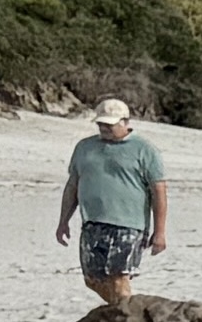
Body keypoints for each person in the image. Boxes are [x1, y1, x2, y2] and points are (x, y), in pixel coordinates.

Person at [57, 99, 165, 305]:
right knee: (92, 279)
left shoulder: (144, 149)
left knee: (118, 278)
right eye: (101, 124)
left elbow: (159, 191)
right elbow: (73, 185)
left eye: (110, 124)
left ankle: (128, 318)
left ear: (125, 122)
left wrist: (159, 232)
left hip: (129, 225)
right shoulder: (84, 147)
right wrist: (63, 221)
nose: (104, 128)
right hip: (93, 223)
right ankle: (125, 311)